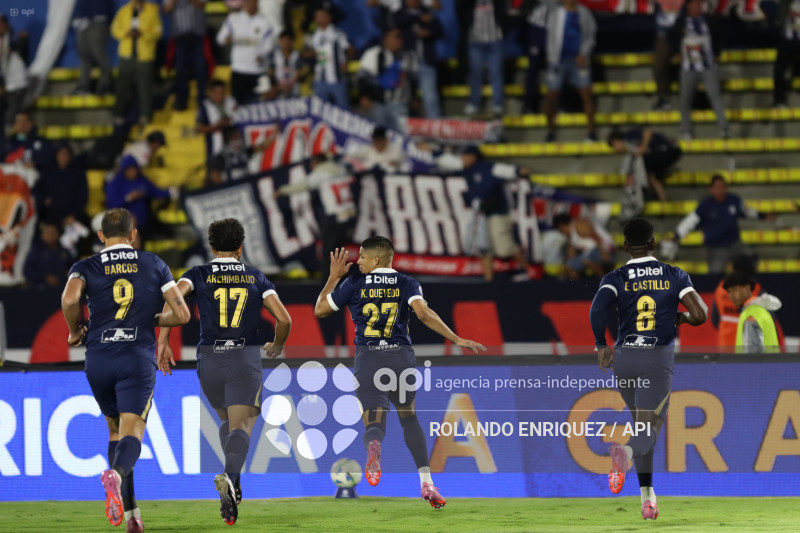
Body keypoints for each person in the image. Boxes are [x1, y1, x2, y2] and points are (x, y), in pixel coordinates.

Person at [314, 240, 486, 508]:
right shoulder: (407, 283)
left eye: (362, 257)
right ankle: (426, 482)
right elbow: (423, 313)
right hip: (400, 360)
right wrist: (455, 338)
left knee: (373, 424)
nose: (357, 262)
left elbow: (320, 310)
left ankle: (374, 446)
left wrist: (332, 279)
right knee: (408, 418)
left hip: (369, 359)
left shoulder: (354, 283)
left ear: (377, 261)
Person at [61, 208, 190, 533]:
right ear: (133, 234)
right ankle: (114, 476)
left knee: (114, 431)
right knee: (132, 433)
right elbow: (182, 313)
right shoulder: (153, 263)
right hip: (135, 357)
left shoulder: (85, 265)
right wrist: (151, 320)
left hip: (99, 358)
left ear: (101, 236)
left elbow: (70, 298)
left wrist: (75, 331)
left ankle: (132, 515)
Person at [157, 218, 291, 526]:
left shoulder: (198, 274)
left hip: (209, 360)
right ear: (240, 248)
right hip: (243, 358)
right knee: (242, 427)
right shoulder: (256, 277)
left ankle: (234, 479)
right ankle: (231, 477)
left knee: (229, 424)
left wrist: (163, 342)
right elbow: (284, 319)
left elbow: (171, 305)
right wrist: (277, 344)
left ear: (212, 247)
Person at [590, 218, 707, 521]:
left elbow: (597, 309)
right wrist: (682, 319)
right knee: (646, 432)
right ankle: (624, 454)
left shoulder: (616, 276)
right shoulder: (673, 275)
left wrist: (600, 344)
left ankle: (647, 499)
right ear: (654, 244)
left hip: (625, 359)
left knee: (643, 427)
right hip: (656, 359)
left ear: (626, 246)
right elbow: (701, 314)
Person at [445, 146, 531, 282]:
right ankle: (488, 281)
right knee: (484, 249)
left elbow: (505, 170)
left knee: (504, 248)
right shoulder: (466, 170)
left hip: (497, 212)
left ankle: (529, 271)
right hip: (480, 215)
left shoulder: (487, 168)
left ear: (473, 156)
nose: (462, 159)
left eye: (465, 156)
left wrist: (518, 171)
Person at [664, 175, 774, 274]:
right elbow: (690, 222)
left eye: (723, 186)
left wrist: (763, 216)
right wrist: (677, 235)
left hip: (735, 244)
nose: (721, 190)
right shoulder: (705, 205)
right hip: (716, 247)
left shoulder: (734, 200)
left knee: (751, 259)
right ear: (711, 190)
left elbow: (747, 211)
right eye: (717, 187)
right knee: (715, 273)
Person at [274, 154, 356, 273]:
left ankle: (329, 284)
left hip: (336, 217)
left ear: (316, 163)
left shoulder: (321, 174)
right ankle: (341, 281)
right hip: (350, 215)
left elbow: (303, 185)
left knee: (328, 252)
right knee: (339, 250)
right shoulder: (341, 169)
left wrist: (282, 190)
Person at [671, 0, 728, 139]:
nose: (697, 6)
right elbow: (672, 38)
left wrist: (717, 53)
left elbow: (719, 36)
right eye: (694, 4)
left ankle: (724, 128)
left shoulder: (709, 21)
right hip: (688, 68)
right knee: (685, 100)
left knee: (715, 96)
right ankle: (686, 131)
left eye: (699, 3)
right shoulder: (681, 22)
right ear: (688, 6)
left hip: (707, 67)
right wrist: (676, 53)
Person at [543, 0, 597, 142]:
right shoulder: (555, 14)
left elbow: (590, 36)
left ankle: (591, 131)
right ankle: (550, 130)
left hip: (578, 61)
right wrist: (552, 59)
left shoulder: (584, 13)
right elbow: (551, 37)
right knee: (550, 96)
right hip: (558, 61)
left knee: (587, 94)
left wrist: (584, 54)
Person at [111, 0, 163, 125]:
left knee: (145, 88)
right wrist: (126, 33)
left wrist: (143, 34)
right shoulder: (123, 11)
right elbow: (114, 29)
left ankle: (145, 115)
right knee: (122, 86)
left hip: (145, 56)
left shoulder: (152, 10)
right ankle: (118, 114)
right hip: (127, 55)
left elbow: (158, 31)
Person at [217, 0, 276, 105]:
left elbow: (270, 45)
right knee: (238, 103)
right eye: (249, 2)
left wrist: (262, 54)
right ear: (244, 3)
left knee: (259, 103)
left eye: (255, 3)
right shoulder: (233, 19)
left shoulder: (265, 22)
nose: (252, 5)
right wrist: (226, 39)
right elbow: (220, 39)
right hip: (239, 69)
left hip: (257, 70)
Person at [392, 0, 444, 118]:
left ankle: (435, 127)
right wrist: (419, 17)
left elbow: (440, 31)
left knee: (430, 96)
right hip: (405, 63)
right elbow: (397, 22)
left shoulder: (427, 12)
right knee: (403, 96)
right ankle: (403, 128)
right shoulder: (400, 13)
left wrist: (428, 33)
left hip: (425, 61)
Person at [358, 28, 417, 131]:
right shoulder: (374, 53)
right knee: (381, 133)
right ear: (386, 39)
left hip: (400, 102)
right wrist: (365, 95)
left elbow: (413, 79)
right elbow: (363, 77)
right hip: (379, 103)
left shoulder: (409, 55)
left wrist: (415, 97)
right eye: (396, 37)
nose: (399, 40)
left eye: (400, 37)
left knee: (403, 133)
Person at [607, 127, 682, 202]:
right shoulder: (630, 147)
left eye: (614, 146)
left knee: (642, 167)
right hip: (662, 153)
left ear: (616, 141)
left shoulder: (628, 136)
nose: (616, 150)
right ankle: (662, 200)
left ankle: (649, 193)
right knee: (651, 175)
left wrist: (643, 147)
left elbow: (647, 132)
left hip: (666, 150)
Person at [105, 155, 175, 234]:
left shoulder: (141, 180)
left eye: (134, 169)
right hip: (123, 226)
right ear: (124, 170)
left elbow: (155, 191)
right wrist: (128, 198)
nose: (132, 172)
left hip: (143, 222)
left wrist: (170, 192)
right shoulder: (115, 183)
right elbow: (111, 205)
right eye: (129, 169)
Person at [463, 0, 506, 118]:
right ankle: (474, 103)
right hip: (475, 40)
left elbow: (503, 10)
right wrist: (468, 25)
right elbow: (462, 9)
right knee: (476, 73)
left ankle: (497, 104)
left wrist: (502, 25)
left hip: (495, 38)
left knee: (495, 72)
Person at [304, 5, 353, 109]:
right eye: (317, 16)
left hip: (337, 79)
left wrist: (347, 63)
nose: (318, 19)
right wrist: (307, 54)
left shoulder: (337, 34)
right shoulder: (314, 35)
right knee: (320, 110)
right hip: (320, 80)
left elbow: (350, 48)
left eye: (321, 16)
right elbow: (313, 52)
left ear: (328, 17)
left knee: (343, 110)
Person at [164, 0, 208, 111]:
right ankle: (182, 99)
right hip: (180, 37)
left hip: (197, 36)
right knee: (180, 70)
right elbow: (166, 9)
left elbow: (202, 6)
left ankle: (201, 99)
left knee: (201, 69)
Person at [723, 272, 782, 354]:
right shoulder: (761, 310)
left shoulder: (750, 315)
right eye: (729, 292)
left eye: (735, 289)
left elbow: (752, 355)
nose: (731, 295)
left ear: (747, 288)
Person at [711, 255, 760, 350]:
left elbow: (715, 319)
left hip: (725, 346)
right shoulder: (755, 290)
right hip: (748, 347)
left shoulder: (721, 289)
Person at [551, 213, 615, 279]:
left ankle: (603, 282)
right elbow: (570, 256)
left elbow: (596, 238)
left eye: (560, 230)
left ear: (562, 226)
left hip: (607, 251)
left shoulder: (579, 225)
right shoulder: (569, 236)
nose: (561, 233)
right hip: (590, 254)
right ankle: (577, 286)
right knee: (569, 266)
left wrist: (603, 252)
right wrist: (565, 269)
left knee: (587, 260)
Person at [72, 0, 114, 96]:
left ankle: (106, 85)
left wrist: (93, 17)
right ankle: (83, 86)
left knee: (99, 55)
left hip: (98, 23)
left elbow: (105, 7)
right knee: (84, 56)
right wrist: (78, 18)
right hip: (82, 24)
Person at [652, 0, 684, 110]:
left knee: (690, 65)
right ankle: (663, 98)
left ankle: (695, 98)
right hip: (663, 33)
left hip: (683, 32)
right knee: (659, 67)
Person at [197, 80, 238, 163]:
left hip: (234, 148)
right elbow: (199, 129)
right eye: (217, 93)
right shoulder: (205, 106)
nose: (221, 96)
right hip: (215, 148)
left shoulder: (232, 102)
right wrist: (216, 126)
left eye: (222, 92)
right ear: (210, 93)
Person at [24, 222, 73, 288]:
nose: (51, 235)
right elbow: (27, 272)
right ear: (42, 235)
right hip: (38, 290)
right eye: (48, 232)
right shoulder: (35, 251)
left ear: (58, 234)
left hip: (61, 290)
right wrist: (45, 278)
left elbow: (74, 269)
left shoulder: (65, 252)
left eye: (53, 232)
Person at [345, 126, 409, 173]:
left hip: (390, 182)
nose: (378, 142)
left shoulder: (395, 149)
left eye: (380, 139)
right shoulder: (368, 149)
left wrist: (370, 165)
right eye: (376, 139)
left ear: (386, 140)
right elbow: (351, 156)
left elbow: (393, 164)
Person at [773, 0, 800, 108]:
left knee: (796, 69)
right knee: (779, 71)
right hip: (787, 42)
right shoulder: (786, 3)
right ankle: (780, 100)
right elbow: (781, 19)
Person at [269, 30, 303, 98]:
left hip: (293, 89)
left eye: (288, 41)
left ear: (292, 42)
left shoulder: (296, 55)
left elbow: (299, 72)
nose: (286, 43)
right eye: (283, 41)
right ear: (280, 41)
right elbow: (271, 72)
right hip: (279, 89)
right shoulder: (275, 55)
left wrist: (290, 84)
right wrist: (278, 85)